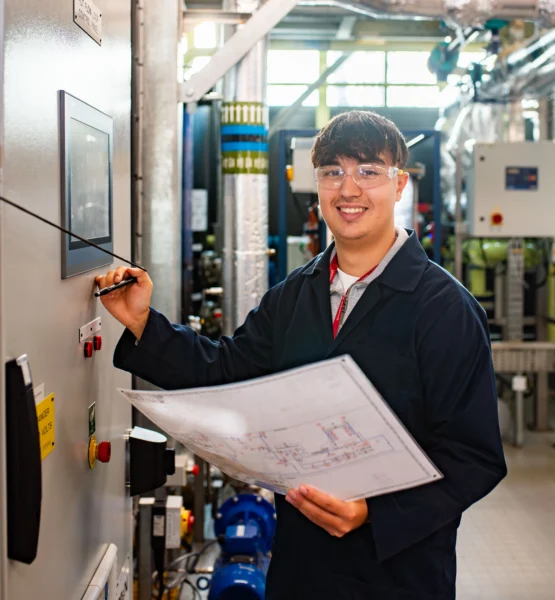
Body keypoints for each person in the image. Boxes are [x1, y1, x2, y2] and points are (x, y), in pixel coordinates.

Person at [97, 110, 507, 599]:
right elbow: (228, 371)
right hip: (300, 565)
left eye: (368, 171)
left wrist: (375, 514)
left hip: (398, 572)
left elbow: (474, 457)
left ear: (399, 185)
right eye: (333, 172)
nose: (349, 190)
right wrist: (144, 323)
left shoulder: (445, 309)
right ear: (317, 186)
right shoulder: (295, 294)